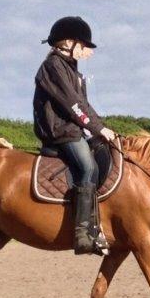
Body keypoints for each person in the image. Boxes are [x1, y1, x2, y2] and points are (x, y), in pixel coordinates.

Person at [33, 17, 117, 255]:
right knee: (88, 168)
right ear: (68, 42)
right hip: (60, 131)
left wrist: (101, 127)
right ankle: (83, 233)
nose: (87, 51)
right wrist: (99, 129)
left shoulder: (71, 70)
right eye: (84, 45)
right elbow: (73, 105)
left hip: (73, 129)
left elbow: (84, 105)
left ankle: (97, 224)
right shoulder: (53, 67)